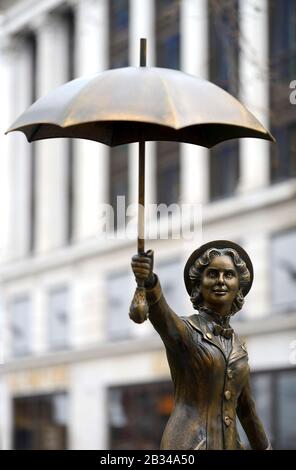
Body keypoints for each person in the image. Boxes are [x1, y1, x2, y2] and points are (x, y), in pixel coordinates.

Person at [131, 240, 272, 450]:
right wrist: (149, 281)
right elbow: (162, 315)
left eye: (229, 275)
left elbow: (247, 412)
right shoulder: (186, 331)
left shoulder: (238, 349)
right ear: (199, 284)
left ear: (238, 287)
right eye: (213, 274)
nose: (221, 281)